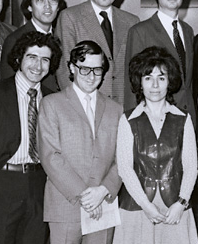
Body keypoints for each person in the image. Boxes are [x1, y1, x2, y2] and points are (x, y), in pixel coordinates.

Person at [0, 31, 62, 243]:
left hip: (39, 184)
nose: (38, 66)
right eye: (32, 57)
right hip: (3, 183)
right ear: (19, 58)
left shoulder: (53, 99)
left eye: (45, 60)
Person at [39, 40, 123, 243]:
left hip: (104, 203)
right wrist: (86, 197)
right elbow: (50, 156)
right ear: (72, 67)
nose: (92, 76)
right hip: (65, 204)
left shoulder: (116, 109)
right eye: (85, 69)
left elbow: (123, 158)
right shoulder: (51, 104)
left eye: (97, 70)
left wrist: (102, 191)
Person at [115, 46, 198, 244]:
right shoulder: (127, 120)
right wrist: (146, 205)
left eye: (161, 78)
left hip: (175, 210)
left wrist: (181, 203)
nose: (155, 85)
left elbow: (190, 167)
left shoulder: (183, 119)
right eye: (148, 78)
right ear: (139, 82)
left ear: (169, 82)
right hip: (137, 209)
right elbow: (125, 168)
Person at [55, 0, 140, 104]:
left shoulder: (132, 21)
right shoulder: (70, 17)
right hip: (86, 106)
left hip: (124, 108)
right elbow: (64, 70)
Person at [125, 0, 196, 120]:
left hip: (187, 117)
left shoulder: (188, 31)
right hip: (155, 119)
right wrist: (134, 123)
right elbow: (132, 85)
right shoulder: (140, 31)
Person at [1, 0, 66, 92]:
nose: (47, 6)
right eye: (40, 0)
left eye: (53, 0)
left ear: (59, 7)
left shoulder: (63, 36)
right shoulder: (15, 40)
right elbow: (7, 88)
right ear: (29, 6)